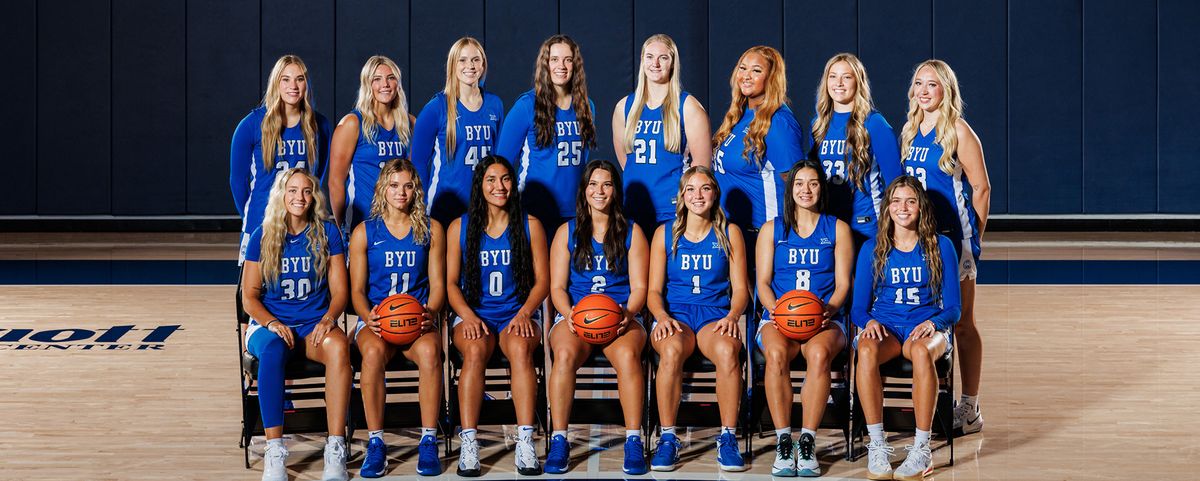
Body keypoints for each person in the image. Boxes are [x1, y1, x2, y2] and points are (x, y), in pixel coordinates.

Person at [898, 59, 990, 435]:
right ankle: (933, 403)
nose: (923, 90)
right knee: (933, 319)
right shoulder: (909, 129)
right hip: (919, 238)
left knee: (963, 322)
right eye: (918, 83)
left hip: (953, 235)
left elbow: (981, 187)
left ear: (945, 89)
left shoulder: (958, 130)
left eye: (932, 84)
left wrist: (974, 239)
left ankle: (969, 407)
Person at [240, 169, 350, 481]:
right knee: (273, 351)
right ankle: (275, 450)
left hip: (313, 324)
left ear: (314, 196)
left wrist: (329, 319)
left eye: (306, 191)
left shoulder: (328, 232)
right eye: (292, 190)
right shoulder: (264, 235)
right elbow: (249, 296)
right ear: (281, 195)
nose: (299, 198)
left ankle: (335, 446)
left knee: (340, 347)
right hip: (269, 324)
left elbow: (340, 291)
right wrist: (272, 322)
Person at [445, 155, 550, 476]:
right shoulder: (459, 227)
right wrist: (467, 315)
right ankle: (469, 442)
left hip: (516, 313)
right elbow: (450, 283)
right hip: (474, 314)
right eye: (491, 180)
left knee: (520, 349)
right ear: (480, 185)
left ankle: (525, 439)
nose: (499, 186)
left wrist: (525, 312)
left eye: (505, 179)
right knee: (474, 351)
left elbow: (543, 280)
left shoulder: (530, 225)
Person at [545, 160, 649, 475]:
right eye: (593, 184)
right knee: (562, 354)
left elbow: (640, 287)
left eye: (606, 184)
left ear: (615, 190)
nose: (599, 191)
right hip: (577, 316)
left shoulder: (633, 232)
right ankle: (560, 438)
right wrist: (570, 314)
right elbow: (558, 288)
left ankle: (633, 439)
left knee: (629, 356)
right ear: (584, 190)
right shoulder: (567, 231)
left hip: (619, 317)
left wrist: (627, 313)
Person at [854, 176, 961, 481]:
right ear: (887, 208)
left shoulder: (941, 245)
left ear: (921, 207)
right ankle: (877, 443)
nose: (903, 208)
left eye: (911, 201)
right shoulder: (872, 248)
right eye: (896, 201)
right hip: (886, 326)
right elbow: (858, 308)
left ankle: (922, 447)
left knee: (920, 351)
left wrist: (933, 323)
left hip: (926, 327)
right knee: (865, 348)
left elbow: (954, 308)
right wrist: (869, 323)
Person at [646, 166, 750, 472]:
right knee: (671, 349)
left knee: (729, 350)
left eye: (705, 188)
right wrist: (662, 316)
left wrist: (733, 315)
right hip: (675, 315)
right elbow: (653, 291)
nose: (698, 196)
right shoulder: (664, 233)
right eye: (691, 189)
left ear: (715, 194)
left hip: (714, 316)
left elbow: (742, 289)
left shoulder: (729, 233)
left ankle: (727, 437)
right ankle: (668, 438)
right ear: (681, 195)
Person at [754, 160, 853, 477]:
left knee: (820, 354)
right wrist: (777, 314)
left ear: (821, 188)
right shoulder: (772, 229)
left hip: (824, 318)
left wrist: (829, 310)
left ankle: (807, 440)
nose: (806, 189)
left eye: (812, 183)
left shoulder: (837, 229)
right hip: (779, 317)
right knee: (776, 353)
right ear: (790, 189)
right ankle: (784, 441)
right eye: (799, 183)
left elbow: (843, 285)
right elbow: (763, 284)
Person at [347, 159, 445, 477]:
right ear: (382, 189)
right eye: (393, 185)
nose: (400, 192)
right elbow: (357, 291)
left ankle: (428, 440)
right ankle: (376, 442)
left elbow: (439, 287)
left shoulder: (431, 229)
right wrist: (368, 317)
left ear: (416, 189)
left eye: (407, 185)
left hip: (417, 321)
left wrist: (429, 312)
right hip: (377, 321)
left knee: (431, 352)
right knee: (372, 354)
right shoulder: (365, 232)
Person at [230, 54, 332, 264]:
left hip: (305, 221)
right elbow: (237, 182)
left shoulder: (320, 125)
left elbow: (318, 176)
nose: (292, 86)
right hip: (262, 220)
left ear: (307, 84)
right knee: (252, 291)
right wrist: (254, 214)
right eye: (285, 79)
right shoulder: (251, 125)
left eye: (299, 79)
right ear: (276, 83)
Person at [611, 33, 711, 234]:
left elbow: (701, 169)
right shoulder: (625, 107)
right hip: (633, 210)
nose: (655, 63)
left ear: (672, 63)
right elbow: (626, 162)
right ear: (642, 61)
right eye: (649, 57)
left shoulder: (688, 106)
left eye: (663, 57)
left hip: (671, 212)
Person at [496, 34, 597, 232]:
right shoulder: (526, 106)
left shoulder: (587, 106)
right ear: (546, 64)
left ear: (575, 65)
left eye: (568, 60)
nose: (562, 66)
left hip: (574, 211)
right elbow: (501, 163)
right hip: (535, 210)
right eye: (555, 60)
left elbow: (582, 163)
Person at [711, 45, 807, 247]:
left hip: (761, 238)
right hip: (730, 232)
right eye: (743, 68)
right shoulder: (740, 114)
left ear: (771, 78)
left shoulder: (778, 122)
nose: (746, 75)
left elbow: (798, 186)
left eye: (756, 71)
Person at [810, 53, 902, 243]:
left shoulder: (874, 123)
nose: (839, 83)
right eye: (833, 76)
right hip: (828, 222)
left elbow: (896, 181)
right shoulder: (819, 125)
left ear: (858, 81)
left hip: (865, 223)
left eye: (847, 77)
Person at [412, 37, 506, 225]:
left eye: (475, 59)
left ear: (483, 64)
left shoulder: (495, 104)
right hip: (445, 206)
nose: (469, 66)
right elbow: (418, 162)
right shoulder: (437, 107)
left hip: (483, 205)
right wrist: (420, 206)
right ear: (453, 65)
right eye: (462, 60)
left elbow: (498, 158)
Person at [330, 55, 415, 232]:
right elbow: (335, 181)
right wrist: (341, 229)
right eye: (377, 79)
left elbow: (414, 177)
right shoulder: (353, 123)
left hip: (400, 223)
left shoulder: (410, 123)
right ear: (368, 84)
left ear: (397, 84)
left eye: (391, 78)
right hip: (363, 222)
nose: (385, 84)